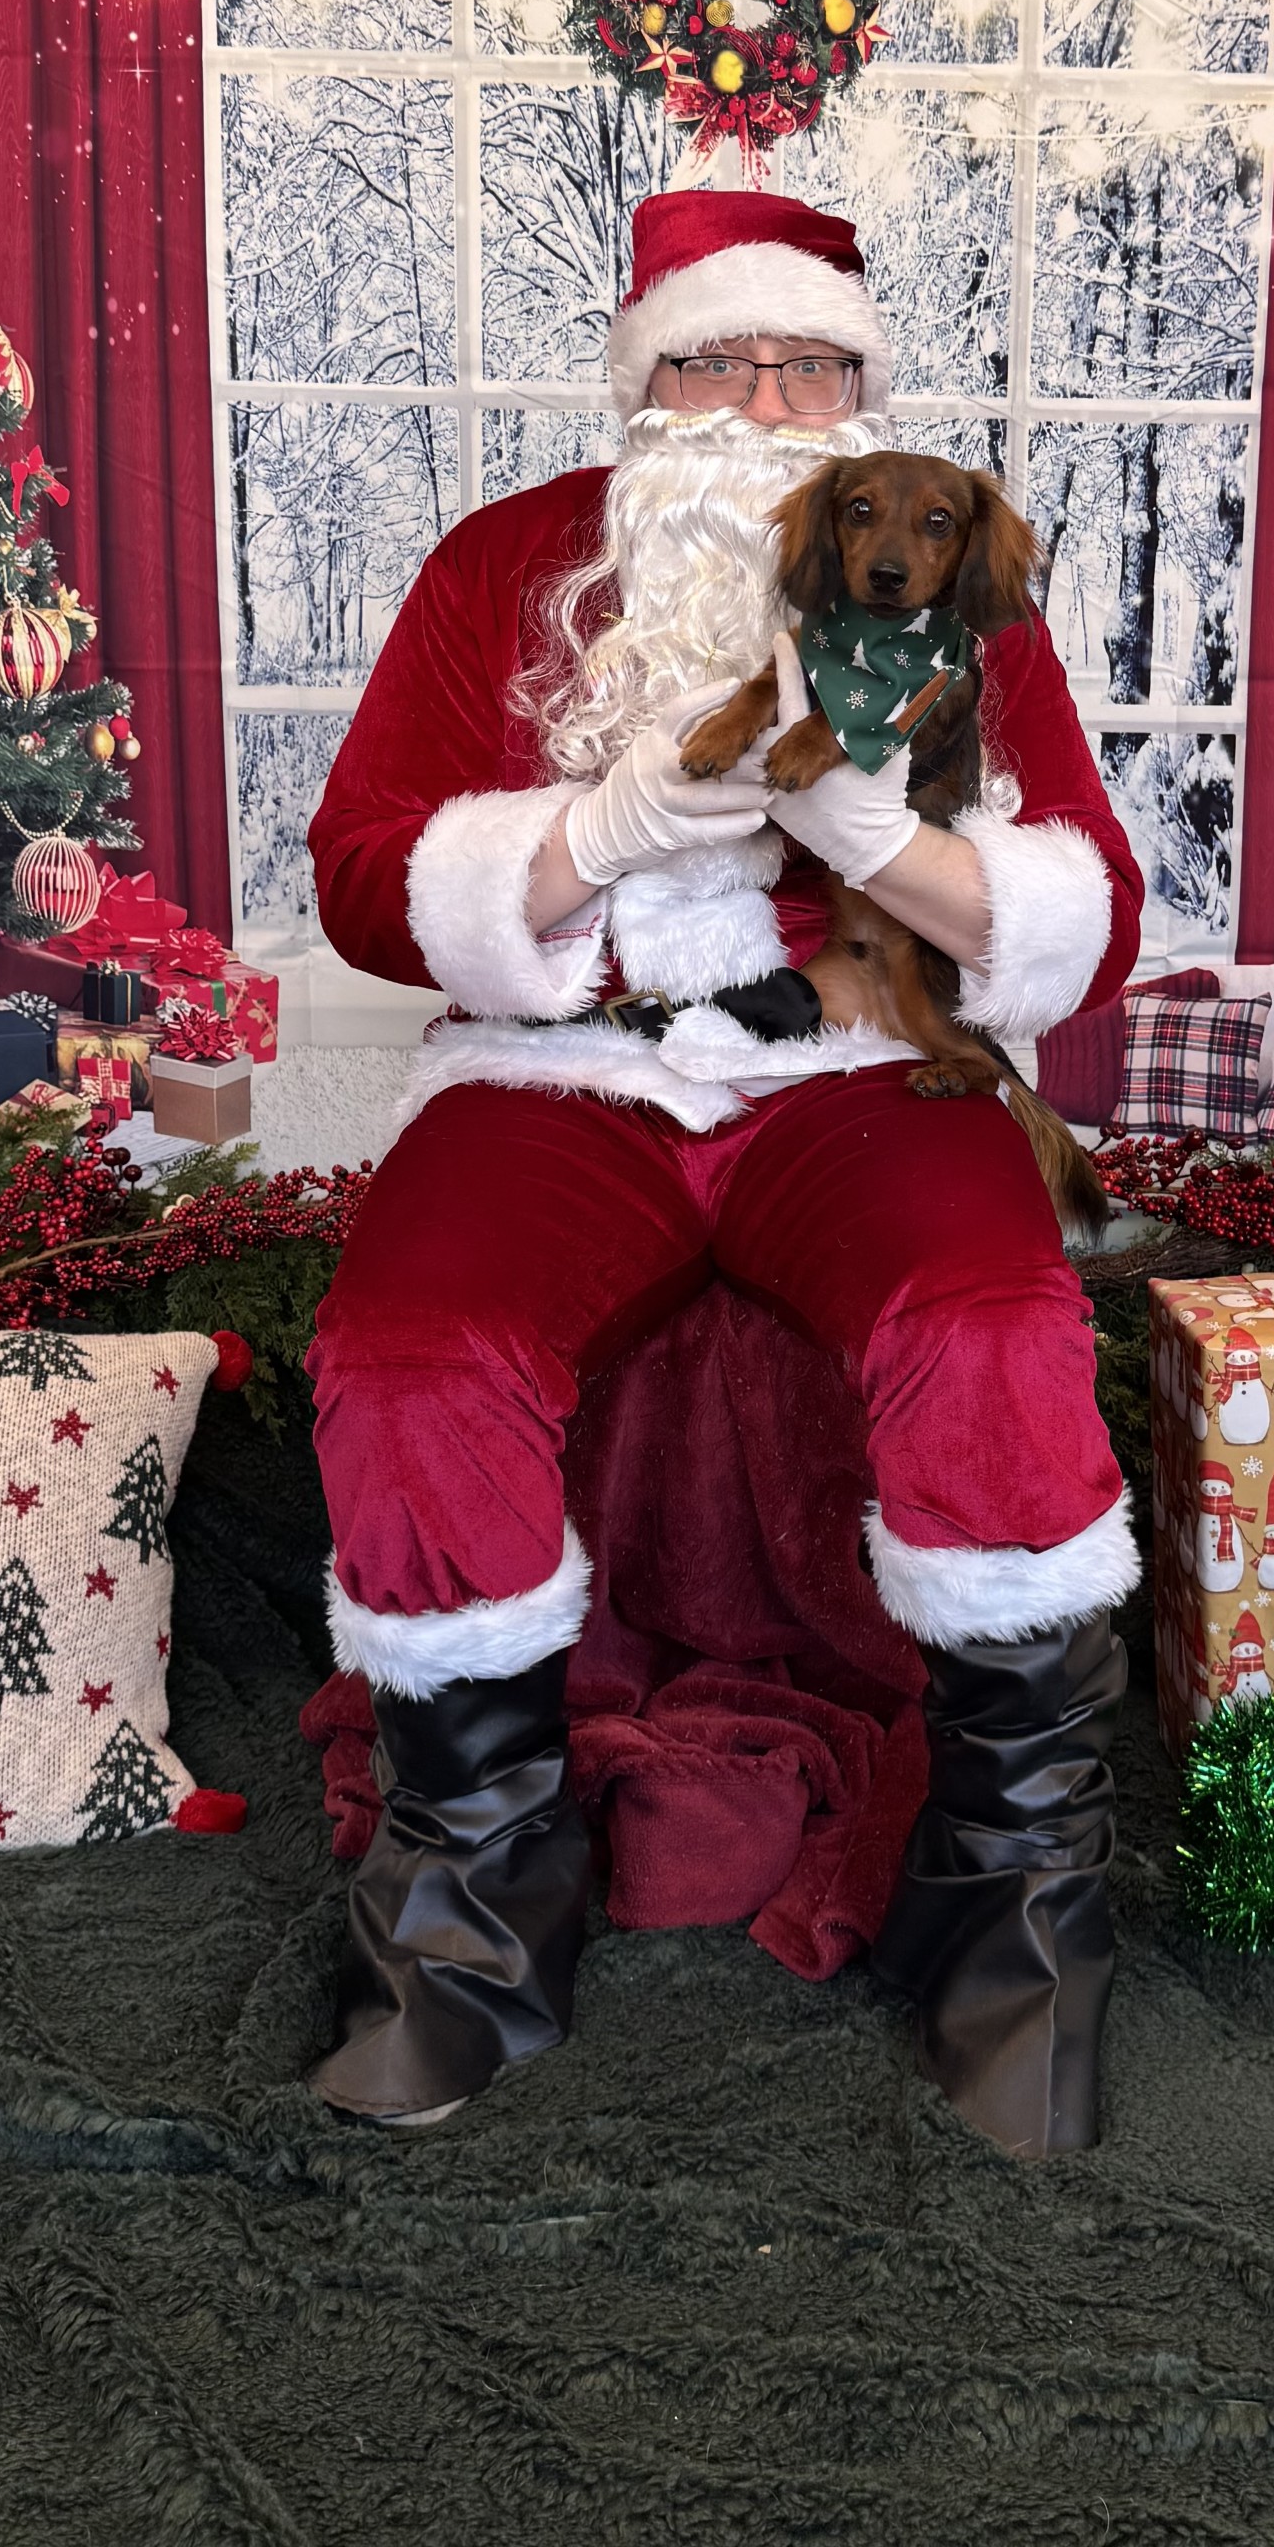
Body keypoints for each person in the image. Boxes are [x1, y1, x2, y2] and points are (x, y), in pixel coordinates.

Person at [305, 189, 1145, 2157]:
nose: (766, 402)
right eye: (717, 360)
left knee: (994, 1323)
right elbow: (360, 876)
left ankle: (1018, 1930)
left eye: (812, 366)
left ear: (863, 389)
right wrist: (598, 833)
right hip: (562, 1066)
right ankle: (466, 1922)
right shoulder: (502, 564)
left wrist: (873, 839)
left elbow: (1082, 907)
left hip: (855, 1062)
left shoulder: (946, 584)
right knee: (410, 1348)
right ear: (643, 376)